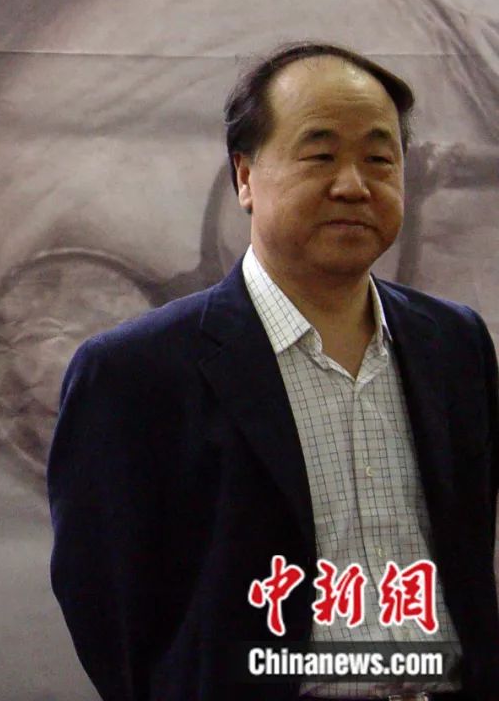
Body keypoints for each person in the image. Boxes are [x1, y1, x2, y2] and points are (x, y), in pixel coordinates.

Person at [47, 42, 499, 700]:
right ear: (244, 177)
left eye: (380, 159)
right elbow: (109, 613)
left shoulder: (455, 346)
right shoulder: (132, 375)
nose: (354, 185)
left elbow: (470, 564)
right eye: (320, 156)